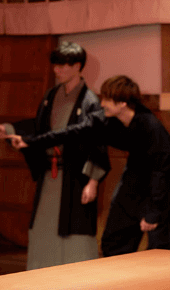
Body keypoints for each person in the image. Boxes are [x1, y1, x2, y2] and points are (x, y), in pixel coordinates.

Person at [8, 75, 170, 257]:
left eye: (107, 99)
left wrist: (154, 212)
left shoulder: (152, 128)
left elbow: (163, 172)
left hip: (157, 188)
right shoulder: (104, 120)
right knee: (113, 243)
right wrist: (30, 141)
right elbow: (69, 132)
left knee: (159, 250)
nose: (102, 104)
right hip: (132, 181)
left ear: (122, 103)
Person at [0, 41, 109, 270]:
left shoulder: (89, 101)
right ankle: (41, 277)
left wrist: (93, 181)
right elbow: (39, 127)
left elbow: (97, 142)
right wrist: (11, 129)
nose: (57, 70)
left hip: (75, 176)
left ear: (77, 66)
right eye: (55, 65)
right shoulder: (51, 95)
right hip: (49, 174)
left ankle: (79, 278)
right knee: (43, 225)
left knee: (75, 231)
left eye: (62, 65)